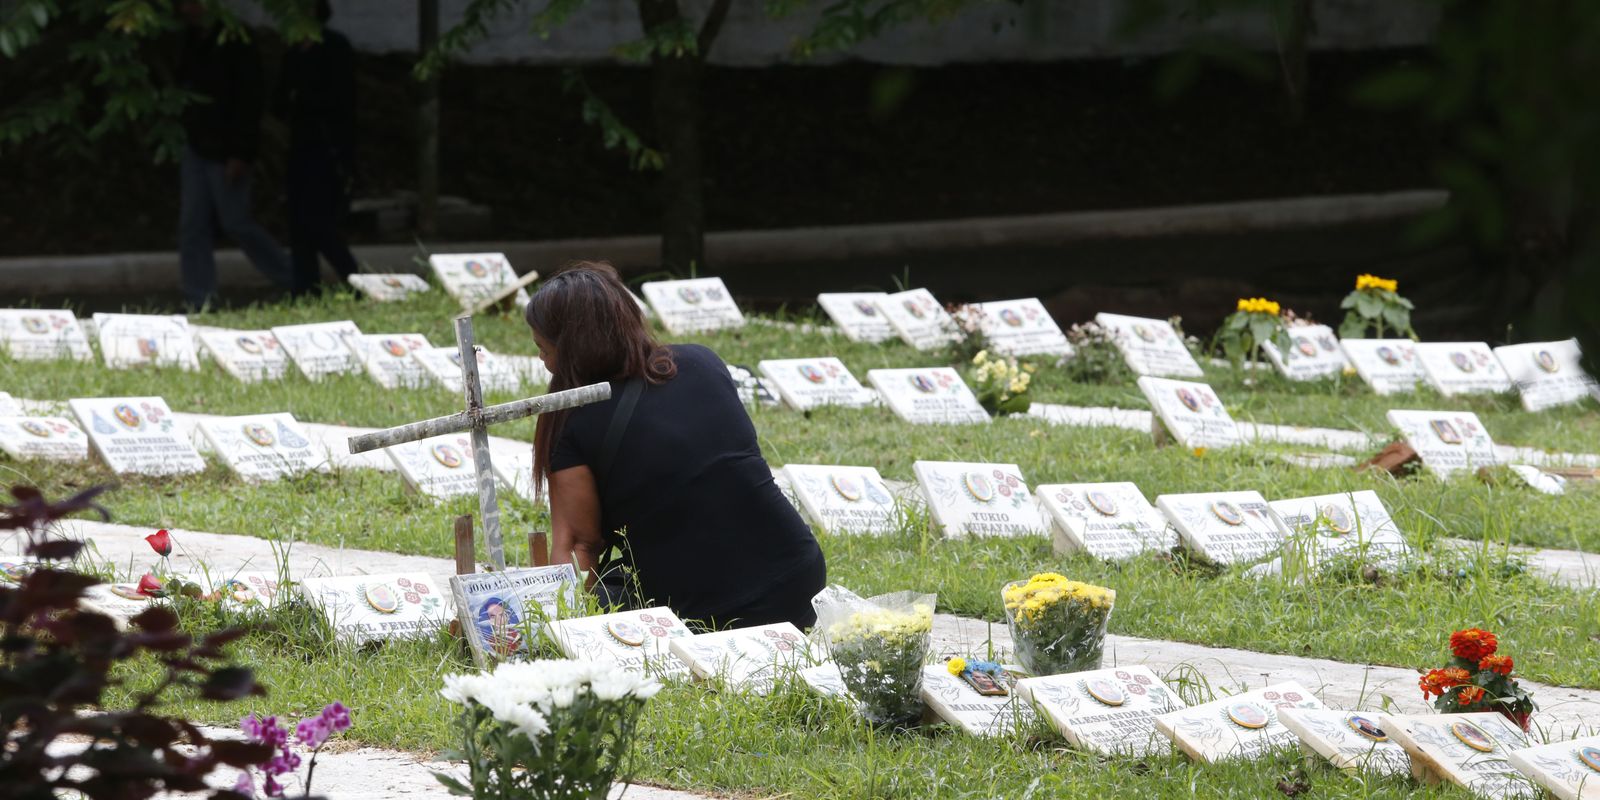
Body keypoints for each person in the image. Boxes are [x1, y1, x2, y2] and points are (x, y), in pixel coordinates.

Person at [528, 263, 826, 629]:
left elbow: (579, 548)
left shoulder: (573, 422)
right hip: (798, 580)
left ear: (571, 347)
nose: (543, 361)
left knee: (611, 593)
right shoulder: (704, 362)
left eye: (544, 349)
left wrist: (554, 628)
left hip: (704, 608)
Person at [176, 2, 292, 311]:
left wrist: (240, 152)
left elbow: (248, 101)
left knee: (236, 221)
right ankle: (199, 298)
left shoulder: (236, 39)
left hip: (226, 148)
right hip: (197, 144)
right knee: (193, 224)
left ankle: (291, 278)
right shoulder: (192, 38)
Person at [274, 0, 360, 295]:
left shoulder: (334, 47)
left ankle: (356, 281)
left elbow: (343, 100)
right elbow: (280, 102)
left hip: (329, 149)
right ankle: (306, 290)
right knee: (299, 223)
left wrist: (305, 99)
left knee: (320, 223)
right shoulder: (293, 52)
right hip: (300, 149)